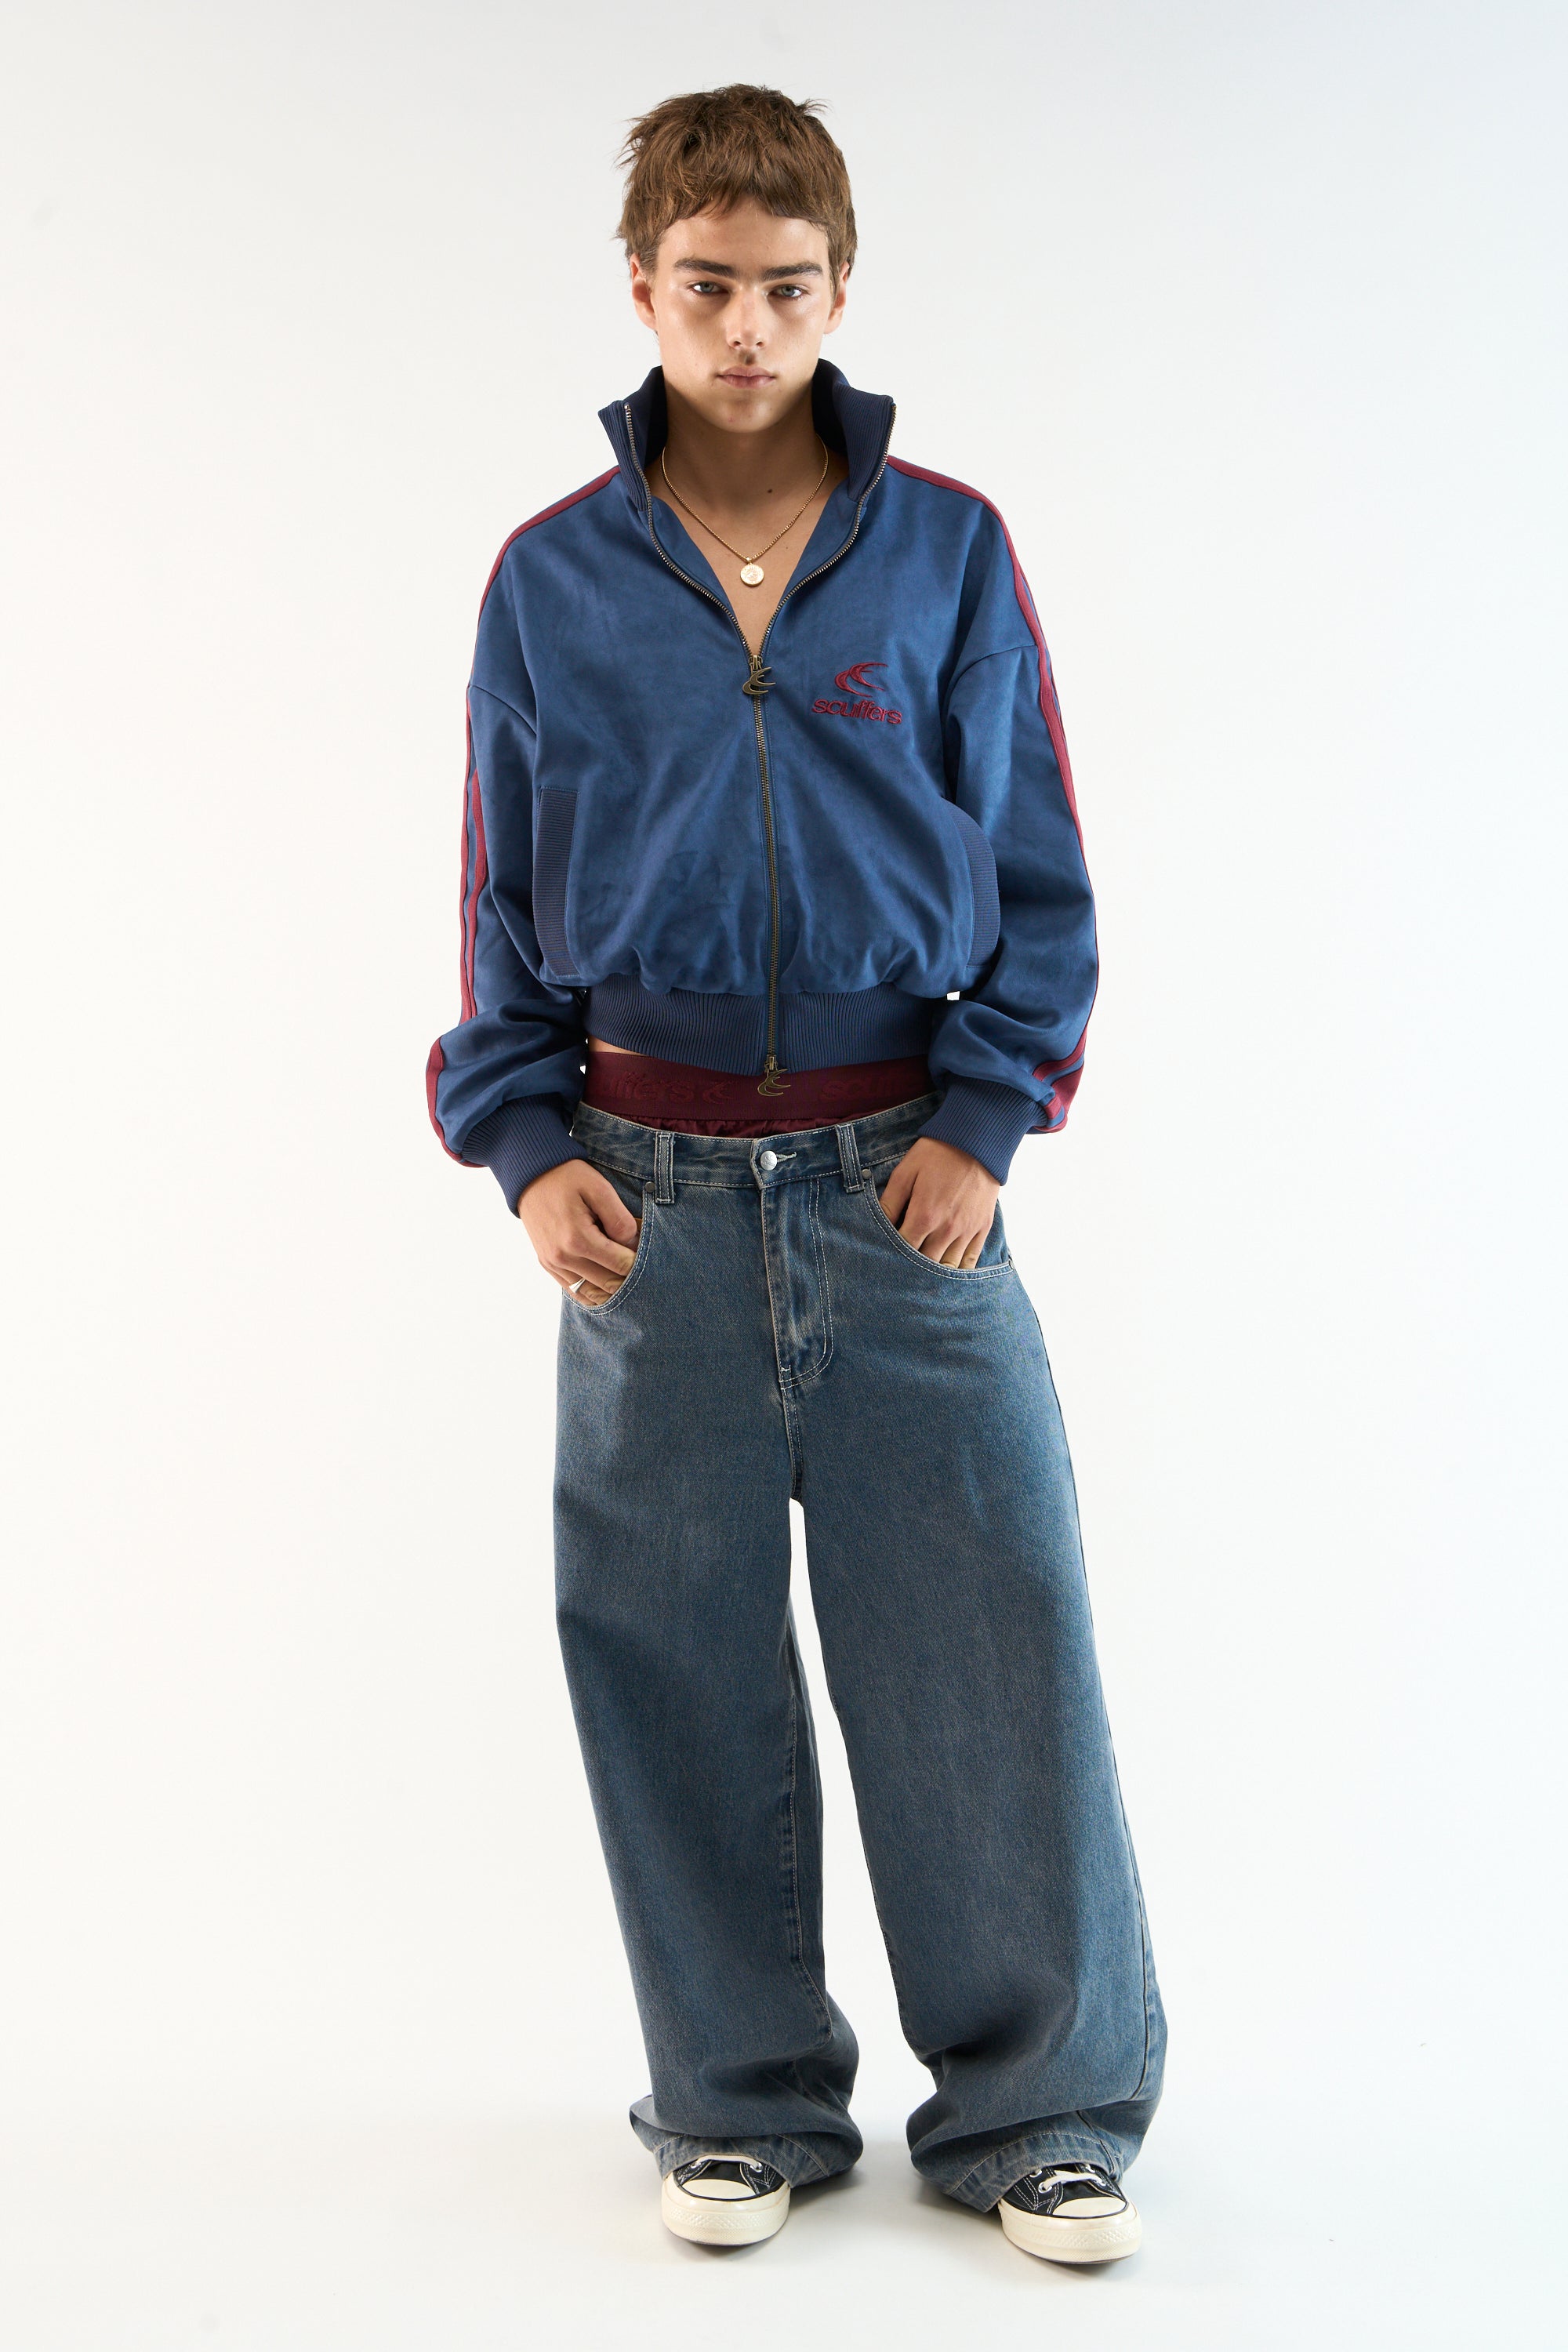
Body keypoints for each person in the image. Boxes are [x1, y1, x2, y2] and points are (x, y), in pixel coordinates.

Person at [426, 83, 1164, 2263]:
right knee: (668, 1655)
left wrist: (981, 1120)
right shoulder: (553, 580)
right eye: (706, 286)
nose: (746, 327)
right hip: (639, 1206)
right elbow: (497, 893)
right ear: (641, 287)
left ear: (842, 291)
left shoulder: (944, 550)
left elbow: (1038, 869)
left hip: (900, 1191)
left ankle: (1043, 2109)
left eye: (787, 286)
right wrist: (528, 1146)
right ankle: (737, 2100)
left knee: (989, 1638)